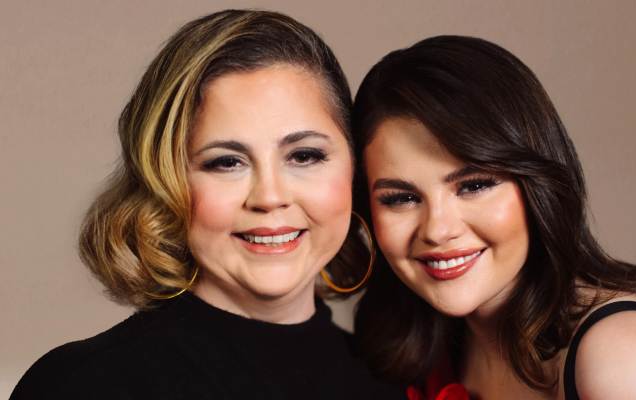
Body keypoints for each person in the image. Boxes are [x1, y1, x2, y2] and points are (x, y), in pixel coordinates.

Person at [11, 10, 403, 399]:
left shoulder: (392, 387)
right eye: (226, 162)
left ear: (355, 169)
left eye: (304, 156)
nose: (270, 197)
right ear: (166, 181)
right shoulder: (81, 385)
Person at [352, 35, 636, 399]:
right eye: (402, 198)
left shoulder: (620, 357)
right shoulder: (435, 345)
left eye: (474, 185)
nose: (438, 230)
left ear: (537, 185)